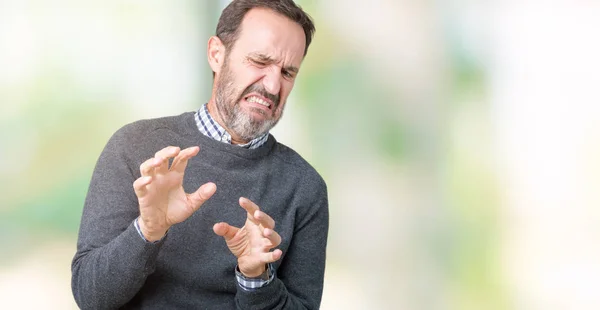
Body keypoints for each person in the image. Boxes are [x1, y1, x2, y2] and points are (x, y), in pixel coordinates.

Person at [71, 0, 328, 309]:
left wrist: (257, 279)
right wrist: (148, 231)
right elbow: (90, 297)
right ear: (217, 55)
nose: (273, 85)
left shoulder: (305, 187)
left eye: (287, 72)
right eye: (260, 61)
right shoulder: (135, 147)